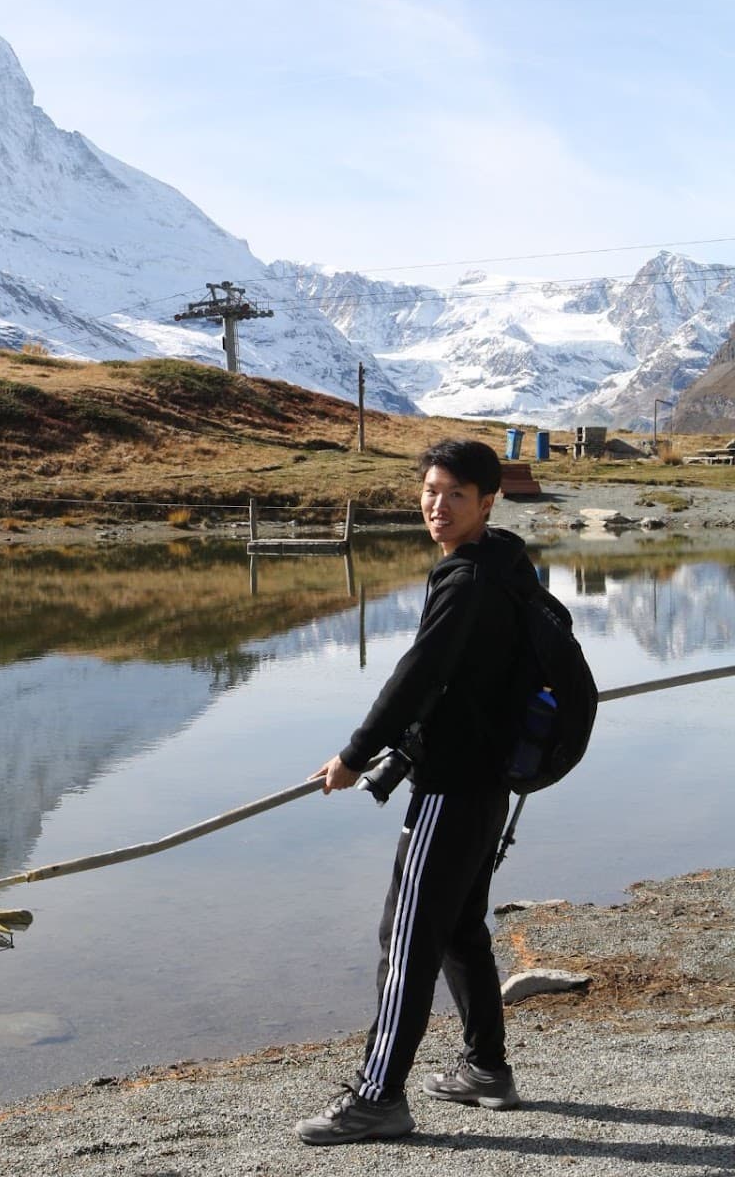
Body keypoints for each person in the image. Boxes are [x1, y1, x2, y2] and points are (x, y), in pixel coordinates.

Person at [296, 438, 537, 1146]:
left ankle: (378, 1098)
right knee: (459, 928)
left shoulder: (465, 580)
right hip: (492, 780)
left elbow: (416, 675)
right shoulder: (508, 564)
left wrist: (353, 755)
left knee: (406, 936)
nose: (437, 505)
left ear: (487, 501)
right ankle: (486, 1069)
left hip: (454, 785)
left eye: (455, 494)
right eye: (430, 491)